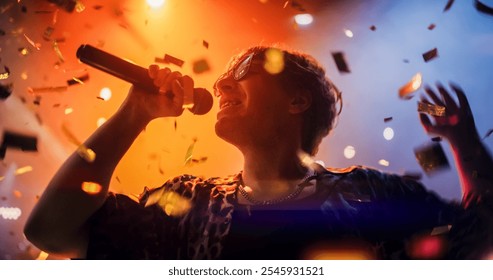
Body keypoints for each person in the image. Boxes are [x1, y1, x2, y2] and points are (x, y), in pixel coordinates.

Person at [24, 45, 493, 260]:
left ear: (297, 101)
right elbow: (50, 230)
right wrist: (134, 115)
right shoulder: (187, 204)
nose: (222, 82)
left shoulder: (370, 193)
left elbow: (478, 237)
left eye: (245, 69)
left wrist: (465, 143)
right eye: (225, 73)